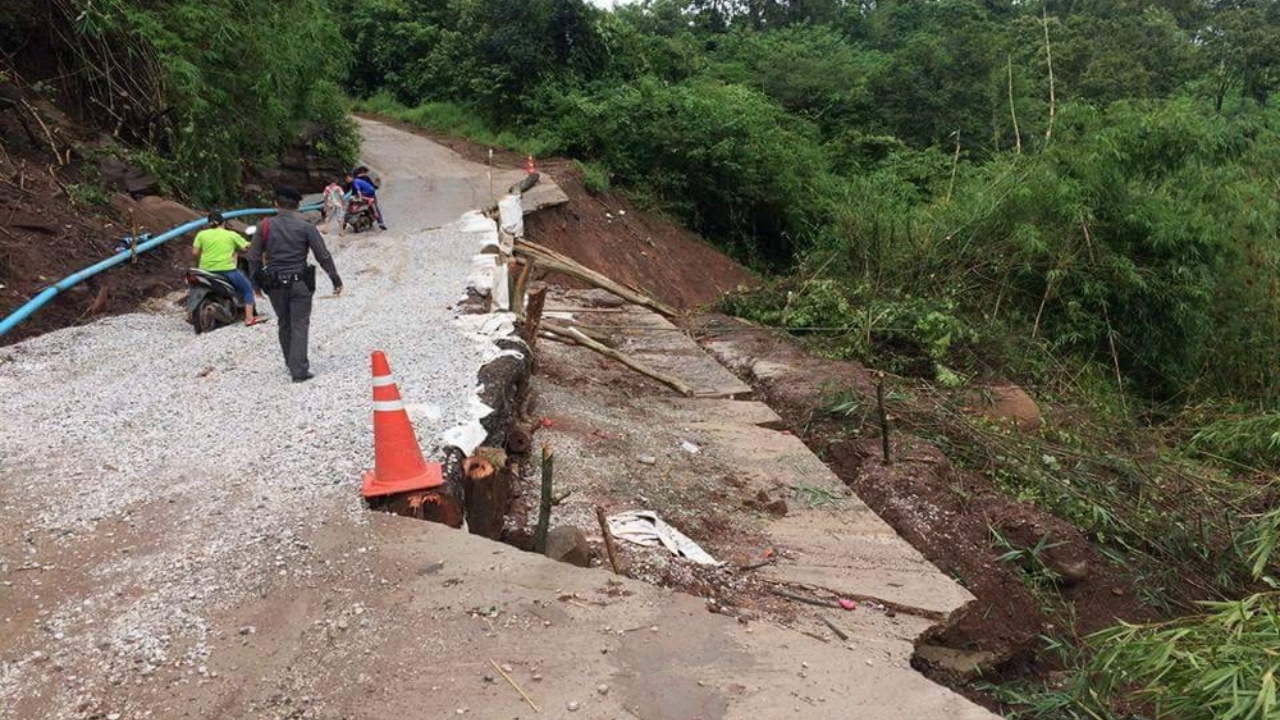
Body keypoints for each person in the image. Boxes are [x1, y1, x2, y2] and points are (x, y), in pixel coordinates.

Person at [247, 187, 344, 383]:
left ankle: (290, 362)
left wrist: (255, 283)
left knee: (284, 321)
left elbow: (253, 257)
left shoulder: (263, 226)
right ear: (298, 205)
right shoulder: (306, 226)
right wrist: (335, 279)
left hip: (274, 283)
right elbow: (322, 255)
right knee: (299, 323)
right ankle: (299, 369)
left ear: (275, 204)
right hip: (300, 281)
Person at [192, 211, 264, 326]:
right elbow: (245, 247)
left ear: (209, 223)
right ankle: (249, 318)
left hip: (205, 270)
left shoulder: (201, 234)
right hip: (226, 270)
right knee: (247, 289)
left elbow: (195, 252)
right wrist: (252, 242)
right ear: (223, 222)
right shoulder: (230, 235)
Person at [351, 166, 387, 230]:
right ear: (364, 172)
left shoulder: (355, 179)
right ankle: (380, 222)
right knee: (375, 208)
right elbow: (372, 186)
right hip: (368, 196)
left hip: (357, 197)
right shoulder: (366, 178)